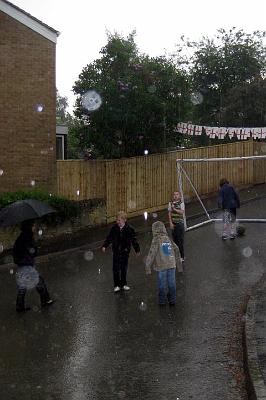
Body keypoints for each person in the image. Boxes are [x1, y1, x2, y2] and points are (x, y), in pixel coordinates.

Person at [13, 219, 54, 312]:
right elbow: (33, 252)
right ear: (29, 227)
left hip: (22, 264)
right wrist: (34, 244)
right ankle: (45, 300)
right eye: (33, 225)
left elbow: (17, 251)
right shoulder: (27, 237)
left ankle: (19, 307)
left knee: (22, 286)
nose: (35, 227)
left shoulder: (21, 237)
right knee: (40, 282)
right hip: (27, 265)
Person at [145, 221, 183, 306]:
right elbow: (176, 249)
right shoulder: (168, 238)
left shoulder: (156, 240)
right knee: (172, 284)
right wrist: (179, 265)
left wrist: (147, 266)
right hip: (171, 264)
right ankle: (172, 300)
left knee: (162, 284)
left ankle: (162, 301)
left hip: (161, 266)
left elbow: (152, 253)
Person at [102, 211, 140, 292]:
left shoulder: (129, 229)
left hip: (125, 252)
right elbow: (109, 238)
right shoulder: (114, 228)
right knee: (115, 269)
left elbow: (134, 240)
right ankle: (116, 285)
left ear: (124, 220)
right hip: (116, 252)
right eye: (117, 220)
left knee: (123, 269)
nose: (117, 222)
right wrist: (105, 245)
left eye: (119, 220)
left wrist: (137, 249)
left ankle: (123, 284)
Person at [168, 191, 185, 262]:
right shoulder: (170, 203)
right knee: (174, 241)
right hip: (174, 224)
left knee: (180, 241)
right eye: (174, 194)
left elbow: (182, 212)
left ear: (180, 196)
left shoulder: (181, 203)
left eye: (177, 194)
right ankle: (176, 255)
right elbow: (169, 213)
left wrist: (174, 209)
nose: (175, 196)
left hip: (179, 224)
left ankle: (182, 256)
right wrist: (171, 223)